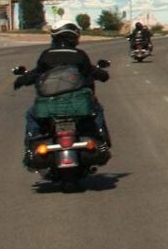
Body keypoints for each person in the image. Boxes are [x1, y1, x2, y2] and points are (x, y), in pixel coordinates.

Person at [13, 21, 111, 164]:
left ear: (55, 37)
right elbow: (91, 72)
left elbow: (36, 74)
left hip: (50, 106)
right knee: (97, 110)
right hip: (78, 104)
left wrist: (21, 80)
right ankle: (101, 140)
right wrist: (103, 74)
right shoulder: (80, 55)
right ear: (75, 37)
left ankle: (31, 146)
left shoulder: (47, 55)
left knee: (31, 115)